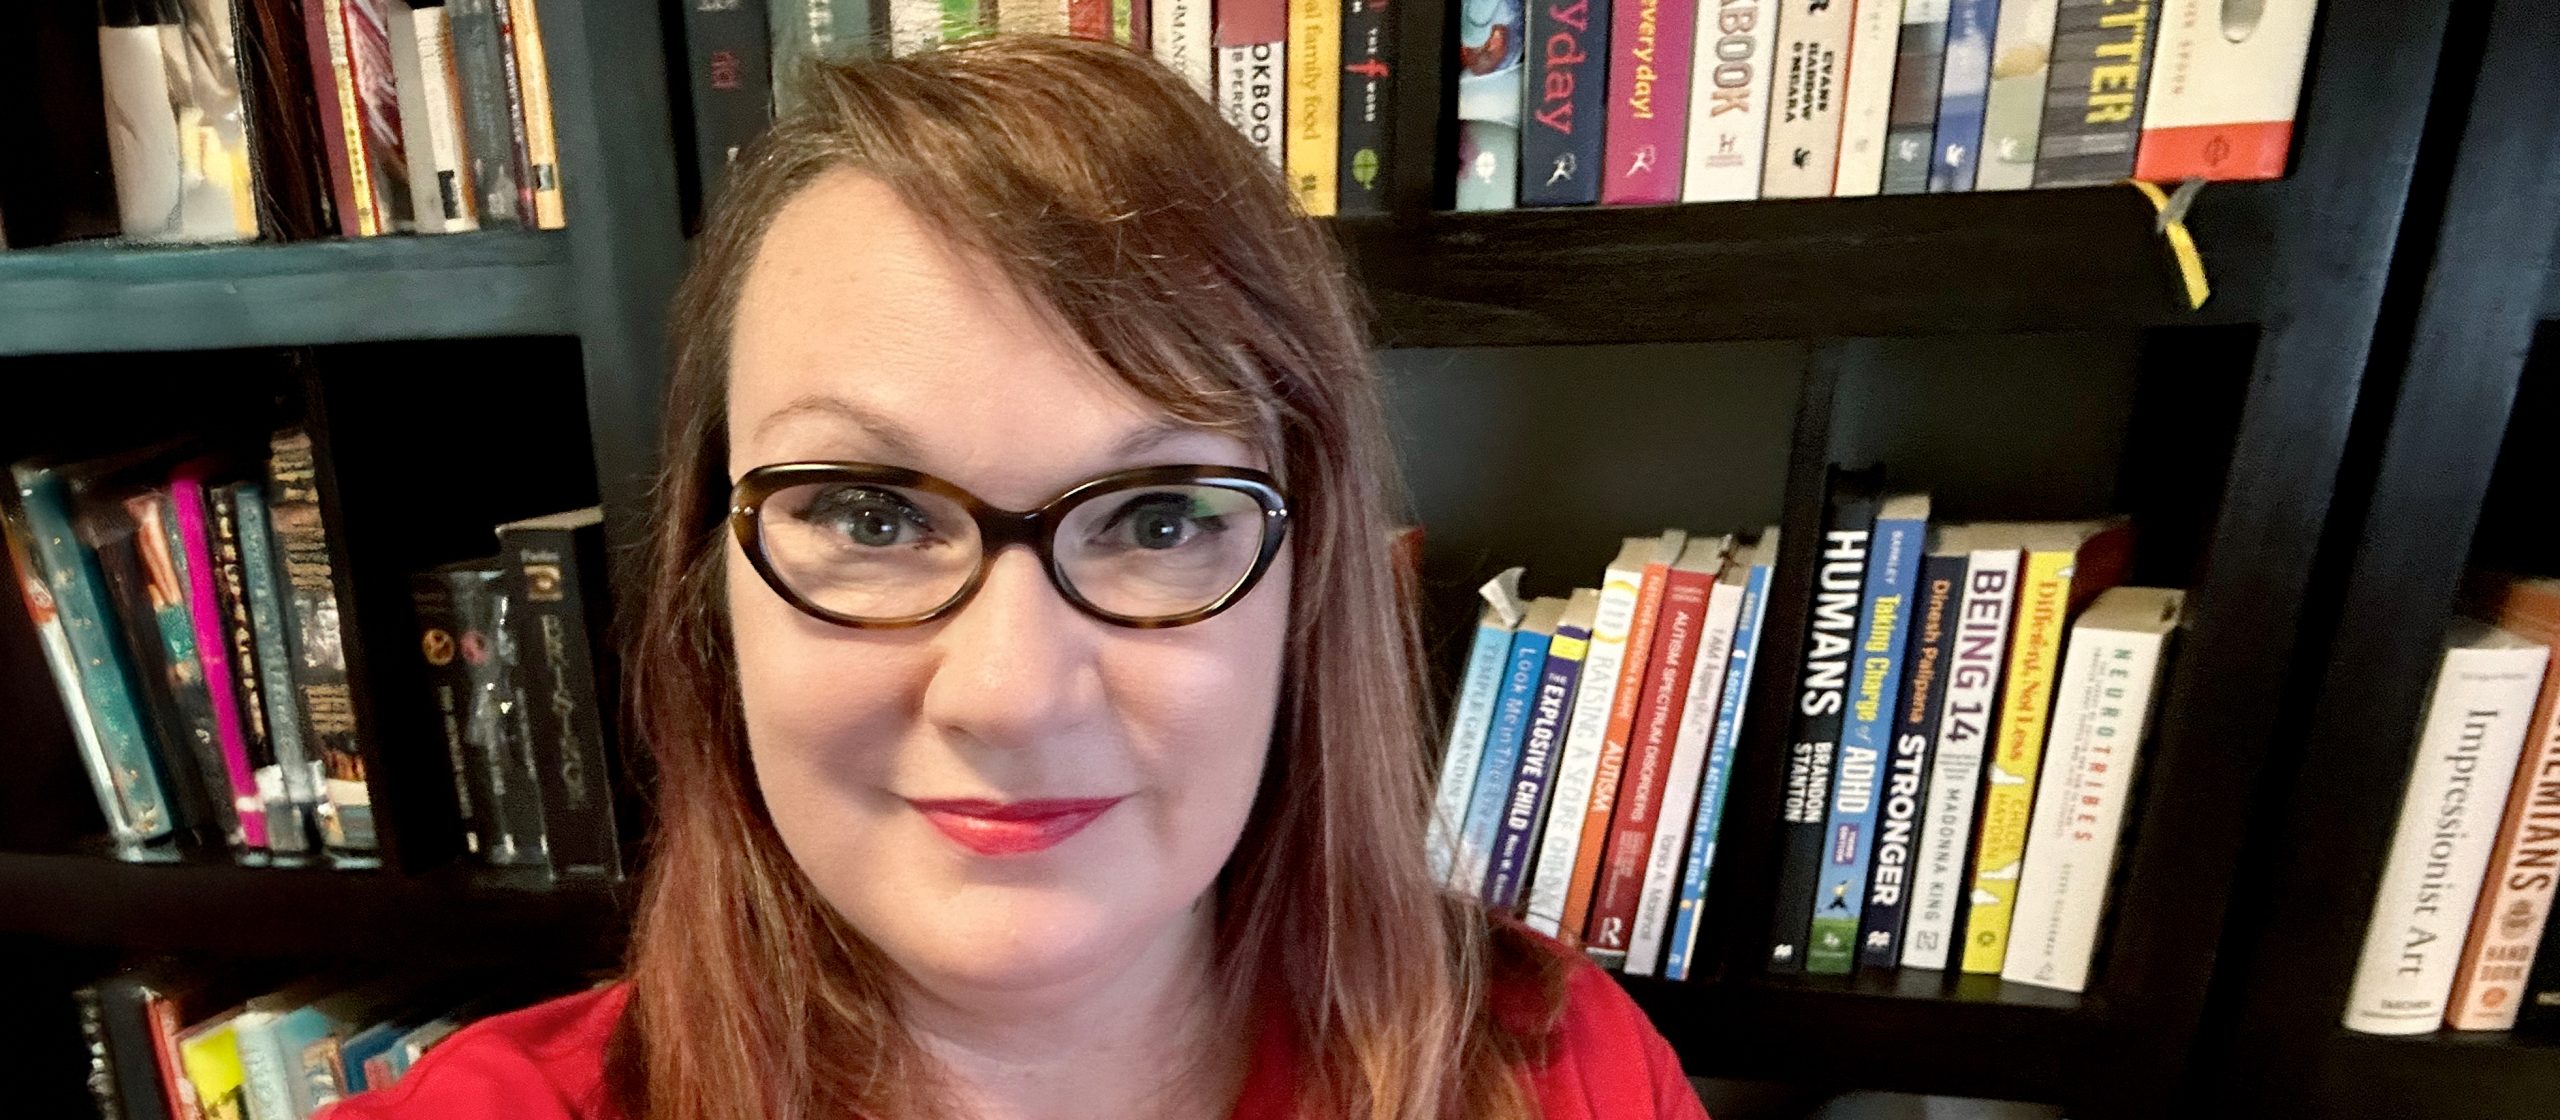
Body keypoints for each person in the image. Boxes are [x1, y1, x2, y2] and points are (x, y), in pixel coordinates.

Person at [326, 35, 1708, 1120]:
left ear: (1309, 591)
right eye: (867, 516)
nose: (1010, 694)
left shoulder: (1556, 1074)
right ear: (709, 590)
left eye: (1160, 520)